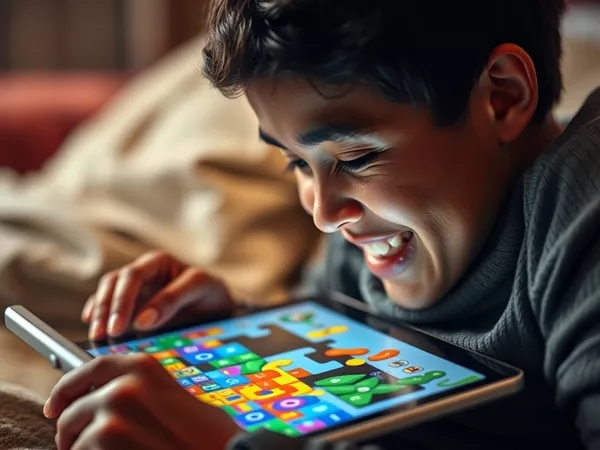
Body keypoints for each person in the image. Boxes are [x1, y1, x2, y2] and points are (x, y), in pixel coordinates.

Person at [43, 0, 600, 449]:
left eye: (355, 158)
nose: (324, 215)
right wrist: (252, 330)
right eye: (295, 163)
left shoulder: (582, 192)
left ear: (503, 97)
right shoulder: (372, 249)